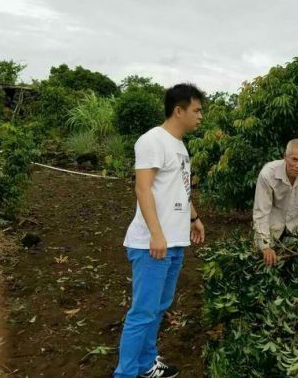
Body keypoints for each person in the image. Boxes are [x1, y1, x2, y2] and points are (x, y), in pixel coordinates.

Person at [114, 83, 205, 378]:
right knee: (142, 312)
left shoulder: (179, 145)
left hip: (174, 241)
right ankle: (125, 373)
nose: (200, 116)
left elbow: (178, 188)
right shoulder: (153, 140)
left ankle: (146, 363)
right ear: (178, 111)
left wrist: (194, 218)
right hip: (153, 243)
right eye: (196, 110)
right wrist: (156, 233)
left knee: (159, 306)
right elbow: (142, 188)